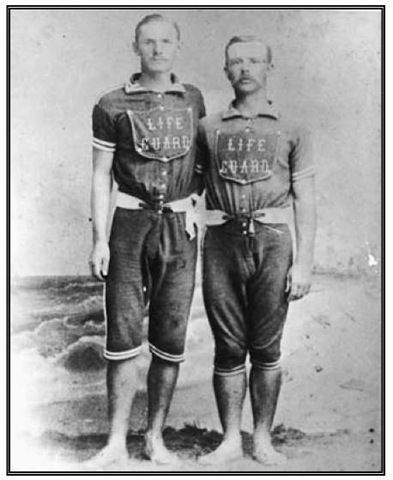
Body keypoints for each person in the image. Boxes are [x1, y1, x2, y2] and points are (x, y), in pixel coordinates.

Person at [88, 14, 205, 468]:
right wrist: (100, 239)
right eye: (148, 42)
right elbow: (100, 176)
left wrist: (196, 206)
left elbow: (202, 164)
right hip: (129, 225)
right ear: (135, 46)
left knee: (170, 335)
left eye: (165, 42)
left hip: (179, 228)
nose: (157, 49)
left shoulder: (192, 99)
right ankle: (116, 442)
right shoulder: (111, 103)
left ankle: (155, 438)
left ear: (177, 46)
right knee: (121, 334)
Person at [196, 36, 316, 465]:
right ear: (226, 71)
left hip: (273, 241)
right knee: (228, 346)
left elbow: (305, 197)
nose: (244, 68)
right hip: (223, 242)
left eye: (253, 60)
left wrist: (303, 262)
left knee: (266, 346)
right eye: (235, 62)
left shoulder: (292, 127)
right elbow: (189, 187)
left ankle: (262, 438)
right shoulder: (208, 128)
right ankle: (230, 439)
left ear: (269, 66)